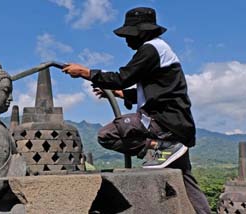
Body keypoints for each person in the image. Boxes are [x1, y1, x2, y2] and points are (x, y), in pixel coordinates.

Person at [62, 7, 211, 213]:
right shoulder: (161, 50)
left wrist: (85, 72)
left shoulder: (151, 49)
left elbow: (123, 77)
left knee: (107, 135)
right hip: (178, 124)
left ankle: (158, 145)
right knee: (185, 179)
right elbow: (157, 91)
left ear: (142, 31)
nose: (126, 40)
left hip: (163, 122)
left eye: (129, 35)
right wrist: (120, 94)